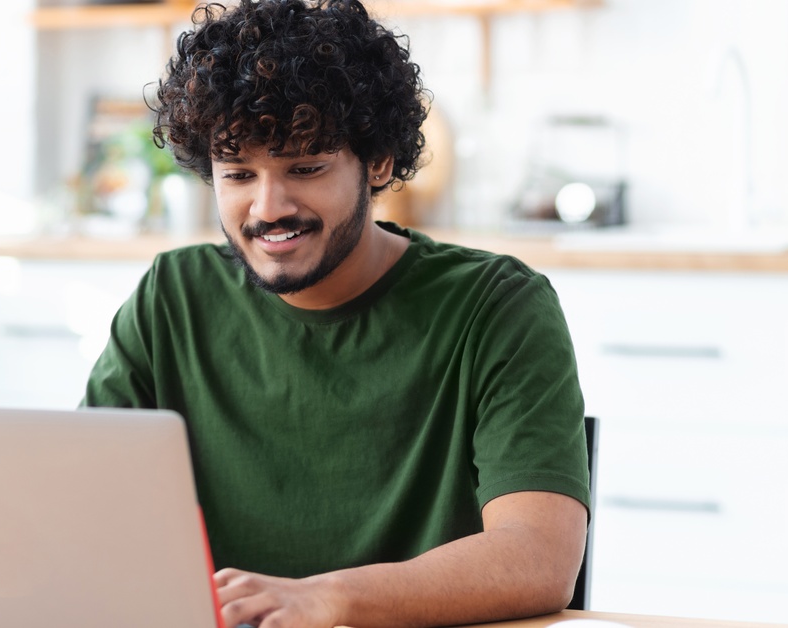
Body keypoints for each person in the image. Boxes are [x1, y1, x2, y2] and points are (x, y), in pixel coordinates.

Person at [83, 1, 590, 626]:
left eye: (306, 168)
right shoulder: (172, 298)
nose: (267, 207)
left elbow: (539, 558)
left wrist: (328, 598)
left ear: (377, 163)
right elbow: (84, 516)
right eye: (238, 173)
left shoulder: (496, 307)